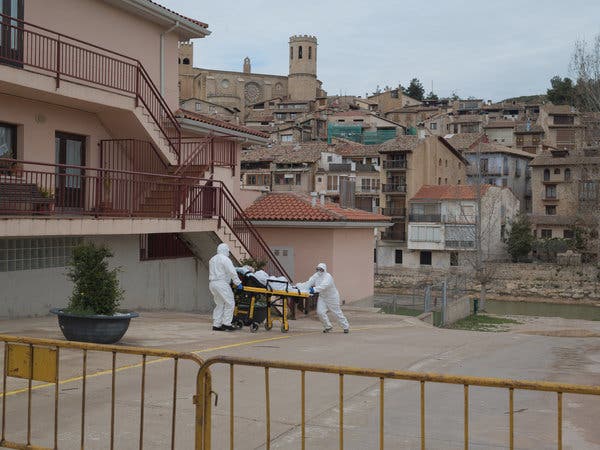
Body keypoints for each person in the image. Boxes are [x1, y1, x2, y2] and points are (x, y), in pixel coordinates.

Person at [304, 263, 349, 333]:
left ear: (324, 269)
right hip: (322, 297)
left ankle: (345, 326)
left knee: (336, 313)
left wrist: (314, 289)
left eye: (321, 269)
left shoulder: (328, 277)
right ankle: (328, 326)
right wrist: (302, 287)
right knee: (320, 312)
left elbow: (323, 286)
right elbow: (309, 282)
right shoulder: (316, 276)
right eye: (318, 269)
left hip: (332, 297)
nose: (319, 270)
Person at [208, 243, 243, 331]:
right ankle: (226, 324)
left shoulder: (212, 259)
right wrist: (238, 283)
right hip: (222, 283)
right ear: (225, 250)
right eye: (228, 250)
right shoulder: (225, 259)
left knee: (219, 304)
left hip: (212, 284)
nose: (228, 252)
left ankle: (216, 324)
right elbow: (232, 272)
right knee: (230, 303)